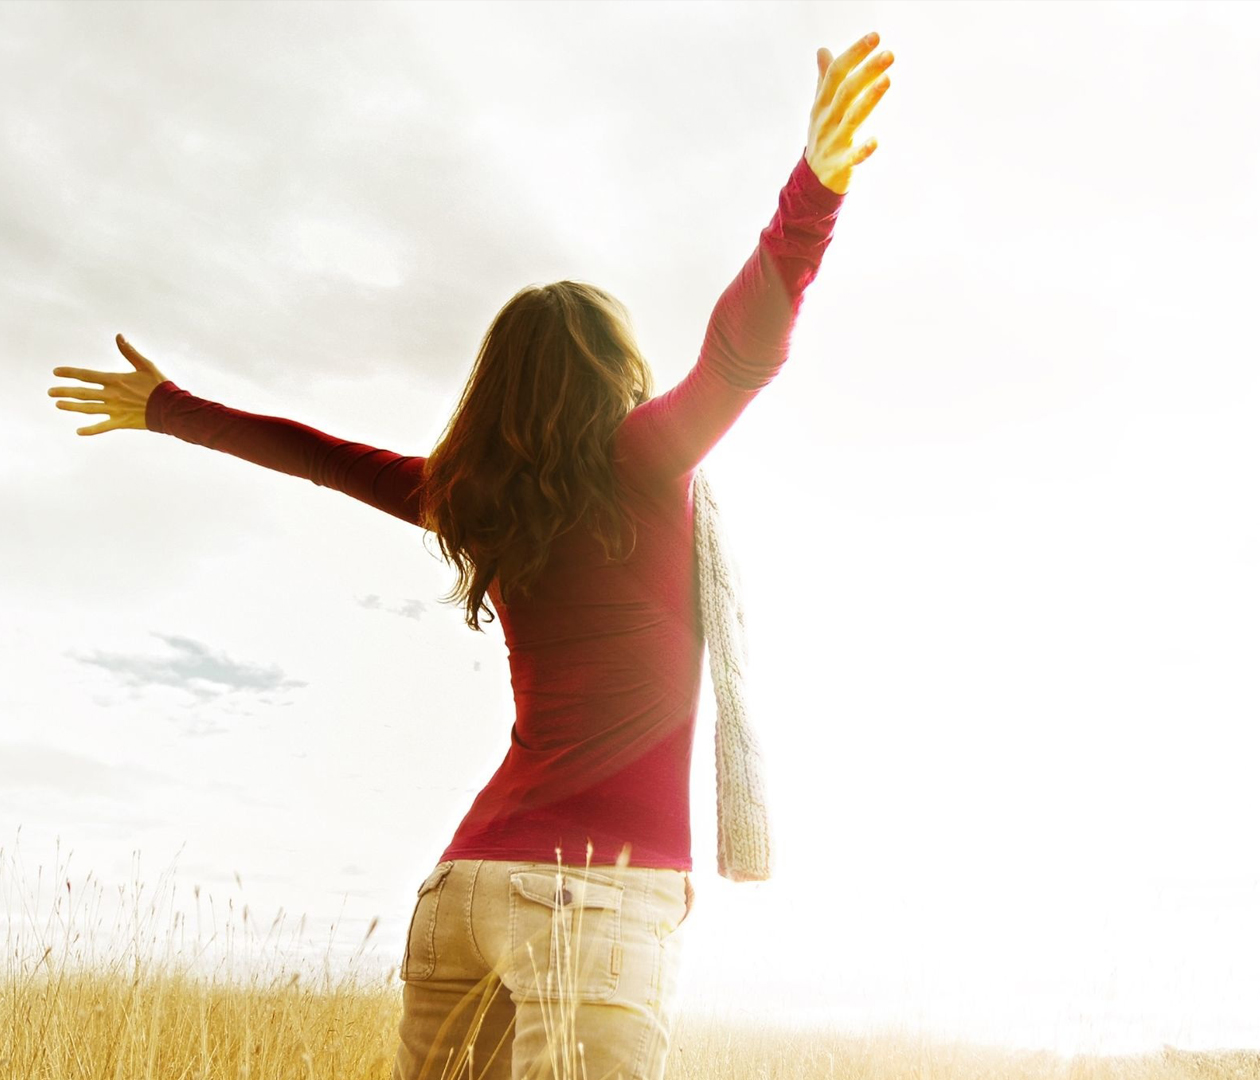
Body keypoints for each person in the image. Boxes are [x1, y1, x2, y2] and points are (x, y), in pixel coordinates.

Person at [45, 30, 893, 1080]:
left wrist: (168, 408)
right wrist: (815, 190)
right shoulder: (645, 462)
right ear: (619, 375)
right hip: (597, 896)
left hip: (465, 886)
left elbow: (318, 457)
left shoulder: (469, 499)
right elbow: (740, 350)